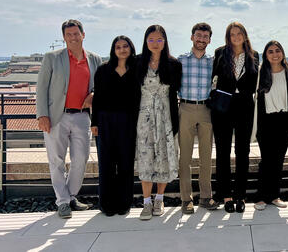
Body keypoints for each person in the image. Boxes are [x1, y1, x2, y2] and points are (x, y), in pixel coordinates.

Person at [36, 19, 103, 219]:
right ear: (64, 37)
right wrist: (42, 115)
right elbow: (41, 89)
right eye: (69, 35)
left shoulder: (95, 59)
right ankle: (63, 202)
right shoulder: (52, 58)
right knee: (56, 160)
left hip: (82, 116)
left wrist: (94, 94)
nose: (73, 38)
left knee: (80, 159)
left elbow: (99, 85)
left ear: (83, 34)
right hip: (57, 116)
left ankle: (71, 195)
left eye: (76, 34)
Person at [211, 22, 259, 213]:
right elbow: (213, 78)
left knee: (242, 152)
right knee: (223, 152)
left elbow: (257, 80)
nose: (236, 37)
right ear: (228, 37)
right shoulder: (220, 53)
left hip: (245, 107)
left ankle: (240, 195)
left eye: (239, 33)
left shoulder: (254, 56)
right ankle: (226, 195)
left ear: (245, 35)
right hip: (223, 107)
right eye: (232, 34)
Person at [135, 25, 182, 221]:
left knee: (163, 156)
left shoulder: (173, 64)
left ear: (165, 42)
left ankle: (159, 199)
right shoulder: (137, 62)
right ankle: (146, 201)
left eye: (159, 40)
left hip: (165, 117)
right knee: (146, 156)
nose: (155, 43)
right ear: (146, 41)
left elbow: (176, 90)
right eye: (152, 40)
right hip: (143, 116)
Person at [91, 36, 139, 216]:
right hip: (105, 121)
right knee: (107, 164)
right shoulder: (103, 70)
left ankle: (124, 203)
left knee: (126, 163)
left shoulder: (136, 70)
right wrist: (94, 122)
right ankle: (106, 204)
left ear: (131, 48)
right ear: (113, 50)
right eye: (118, 47)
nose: (122, 49)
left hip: (129, 121)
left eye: (125, 46)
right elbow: (97, 99)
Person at [178, 23, 220, 214]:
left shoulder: (213, 62)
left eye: (205, 36)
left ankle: (205, 197)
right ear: (192, 37)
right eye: (198, 35)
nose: (201, 39)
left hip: (205, 109)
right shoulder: (181, 60)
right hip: (185, 107)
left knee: (205, 156)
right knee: (185, 157)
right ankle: (186, 199)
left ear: (210, 40)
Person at [253, 41, 288, 211]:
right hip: (266, 121)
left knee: (278, 160)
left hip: (284, 120)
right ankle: (261, 197)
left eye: (278, 50)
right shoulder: (261, 73)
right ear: (266, 55)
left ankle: (274, 195)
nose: (275, 54)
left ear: (283, 53)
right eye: (270, 51)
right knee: (267, 160)